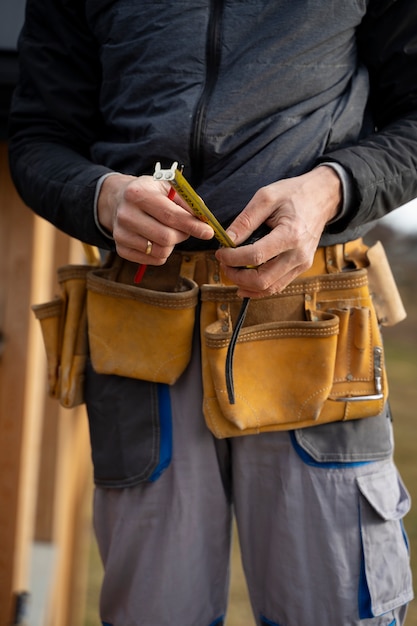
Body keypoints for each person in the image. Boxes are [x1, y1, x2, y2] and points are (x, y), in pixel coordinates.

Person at [8, 1, 417, 624]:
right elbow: (39, 136)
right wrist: (101, 195)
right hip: (141, 325)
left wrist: (329, 187)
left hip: (313, 325)